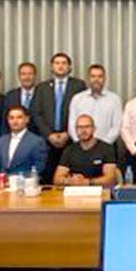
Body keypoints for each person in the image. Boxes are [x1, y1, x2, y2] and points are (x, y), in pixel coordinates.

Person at [29, 52, 87, 183]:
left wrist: (68, 133)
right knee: (48, 176)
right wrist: (49, 134)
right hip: (47, 140)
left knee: (70, 176)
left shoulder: (79, 86)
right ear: (51, 67)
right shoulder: (42, 87)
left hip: (70, 139)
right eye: (57, 63)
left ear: (70, 67)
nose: (60, 66)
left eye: (64, 63)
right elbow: (36, 113)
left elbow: (83, 113)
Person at [53, 114, 117, 187]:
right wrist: (70, 181)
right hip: (74, 190)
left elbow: (110, 179)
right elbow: (57, 179)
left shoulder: (106, 149)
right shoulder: (69, 150)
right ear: (75, 130)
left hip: (99, 191)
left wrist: (87, 182)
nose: (83, 130)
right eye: (79, 127)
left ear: (94, 129)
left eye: (87, 127)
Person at [0, 105, 47, 180]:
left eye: (19, 117)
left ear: (27, 119)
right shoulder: (2, 140)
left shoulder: (37, 142)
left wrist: (10, 179)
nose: (15, 121)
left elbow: (38, 169)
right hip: (0, 184)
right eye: (11, 118)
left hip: (24, 184)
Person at [3, 62, 38, 133]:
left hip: (38, 136)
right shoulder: (10, 96)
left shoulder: (42, 94)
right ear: (19, 76)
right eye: (23, 74)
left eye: (30, 74)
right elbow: (5, 121)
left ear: (35, 75)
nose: (27, 77)